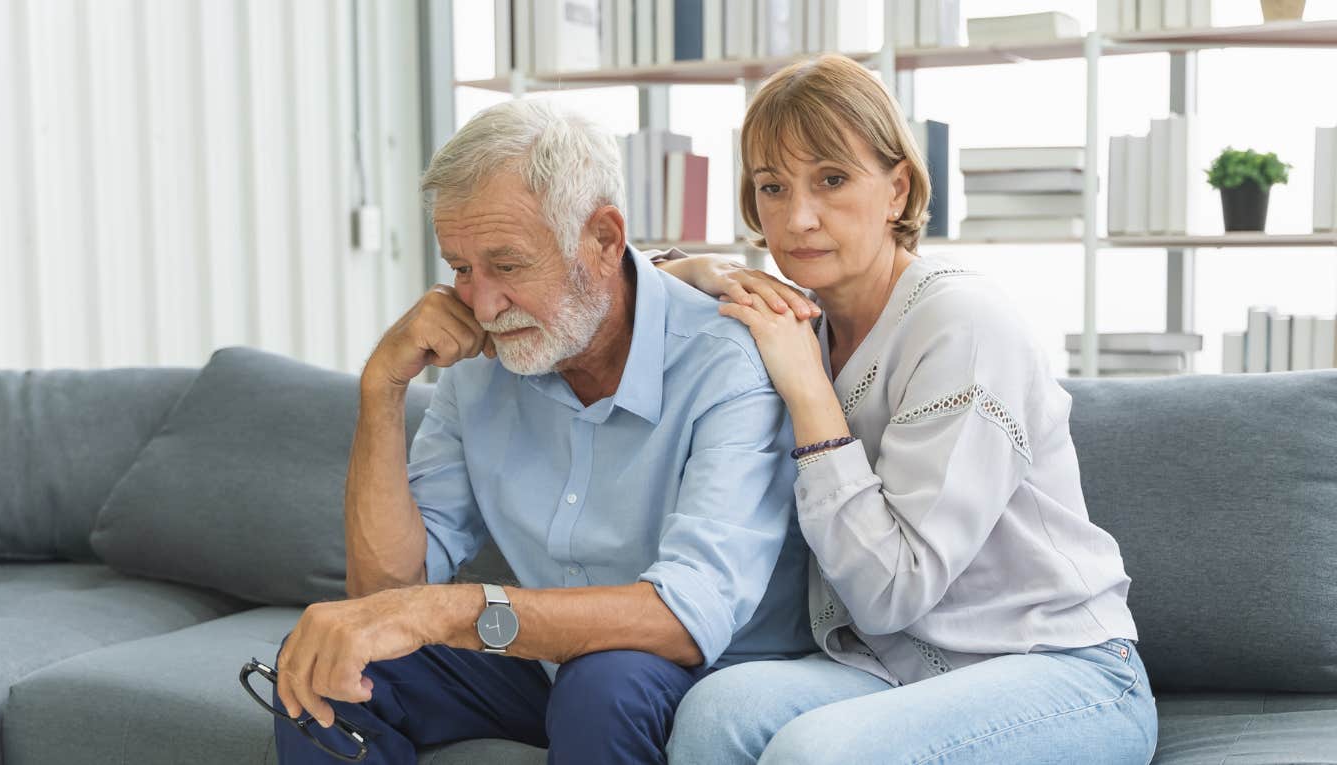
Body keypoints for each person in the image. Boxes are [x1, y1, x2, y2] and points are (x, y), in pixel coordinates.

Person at [268, 98, 814, 764]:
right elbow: (386, 593)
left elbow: (685, 614)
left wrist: (445, 611)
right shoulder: (478, 366)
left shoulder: (726, 360)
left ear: (605, 241)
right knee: (328, 663)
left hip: (710, 666)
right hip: (545, 662)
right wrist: (381, 387)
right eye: (462, 269)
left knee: (604, 682)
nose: (484, 304)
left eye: (508, 265)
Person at [661, 54, 1159, 764]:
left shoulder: (962, 324)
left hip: (1065, 670)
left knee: (815, 753)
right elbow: (621, 288)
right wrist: (706, 269)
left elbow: (895, 590)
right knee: (713, 714)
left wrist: (808, 392)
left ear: (896, 188)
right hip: (892, 672)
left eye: (832, 180)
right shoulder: (802, 315)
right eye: (774, 187)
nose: (798, 217)